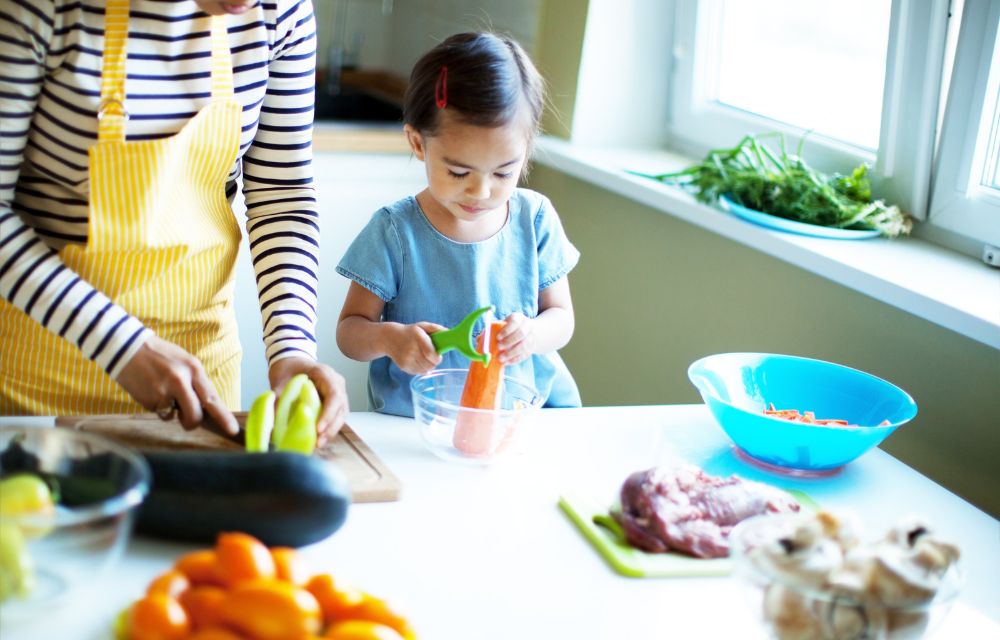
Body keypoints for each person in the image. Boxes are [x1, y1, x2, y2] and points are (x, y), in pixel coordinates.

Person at [0, 0, 348, 439]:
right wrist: (121, 344)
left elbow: (282, 195)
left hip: (203, 380)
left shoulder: (281, 11)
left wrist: (293, 346)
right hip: (43, 378)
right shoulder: (43, 7)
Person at [336, 32, 581, 417]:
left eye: (503, 172)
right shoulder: (395, 232)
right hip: (416, 423)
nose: (480, 192)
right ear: (418, 144)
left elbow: (562, 319)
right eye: (458, 171)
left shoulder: (535, 219)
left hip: (517, 418)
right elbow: (350, 332)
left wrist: (532, 335)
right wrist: (390, 338)